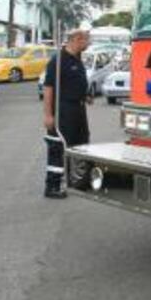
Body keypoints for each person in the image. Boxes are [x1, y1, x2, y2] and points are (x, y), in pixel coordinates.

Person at [41, 28, 92, 198]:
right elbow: (48, 88)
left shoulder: (77, 59)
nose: (88, 43)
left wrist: (86, 95)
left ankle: (75, 181)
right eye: (86, 40)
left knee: (81, 144)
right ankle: (52, 186)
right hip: (64, 110)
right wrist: (48, 115)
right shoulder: (58, 60)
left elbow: (75, 82)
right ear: (77, 39)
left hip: (78, 109)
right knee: (59, 146)